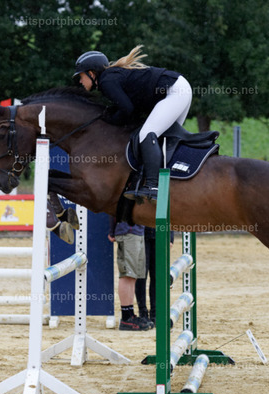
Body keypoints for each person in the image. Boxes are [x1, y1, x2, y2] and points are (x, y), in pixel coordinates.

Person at [73, 45, 192, 201]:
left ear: (91, 73)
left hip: (174, 91)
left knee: (146, 134)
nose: (80, 81)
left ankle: (153, 186)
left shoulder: (106, 81)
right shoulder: (110, 78)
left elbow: (127, 109)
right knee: (164, 140)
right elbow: (130, 108)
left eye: (81, 76)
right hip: (178, 88)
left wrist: (110, 119)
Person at [108, 216, 154, 331]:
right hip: (127, 231)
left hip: (138, 231)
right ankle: (126, 317)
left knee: (133, 276)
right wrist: (112, 231)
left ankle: (130, 314)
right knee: (127, 274)